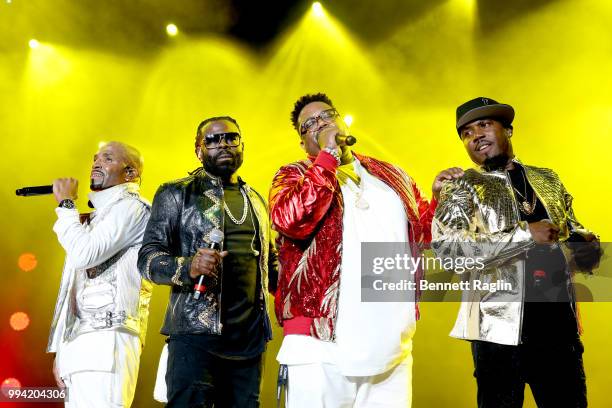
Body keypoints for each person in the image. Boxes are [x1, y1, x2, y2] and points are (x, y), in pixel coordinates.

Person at [269, 93, 458, 407]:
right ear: (303, 143)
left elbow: (423, 238)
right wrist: (326, 159)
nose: (321, 123)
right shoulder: (294, 175)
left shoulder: (392, 176)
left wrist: (440, 200)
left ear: (342, 120)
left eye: (327, 115)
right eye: (309, 124)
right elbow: (291, 220)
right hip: (319, 346)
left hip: (391, 346)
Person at [432, 97, 601, 407]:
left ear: (508, 129)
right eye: (467, 133)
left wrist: (585, 245)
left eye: (484, 125)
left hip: (557, 325)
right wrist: (526, 235)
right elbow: (449, 249)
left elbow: (571, 226)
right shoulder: (462, 185)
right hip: (497, 333)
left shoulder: (547, 178)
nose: (476, 136)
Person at [138, 116, 278, 407]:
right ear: (198, 149)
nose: (223, 144)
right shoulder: (175, 193)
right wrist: (188, 266)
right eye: (212, 140)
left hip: (249, 343)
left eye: (231, 137)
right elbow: (148, 259)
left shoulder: (256, 200)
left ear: (242, 145)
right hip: (195, 337)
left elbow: (271, 266)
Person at [47, 141, 152, 407]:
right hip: (80, 345)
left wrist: (66, 205)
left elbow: (85, 254)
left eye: (107, 158)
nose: (96, 163)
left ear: (130, 173)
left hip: (109, 339)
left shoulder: (133, 207)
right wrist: (63, 351)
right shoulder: (93, 218)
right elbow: (73, 287)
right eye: (95, 158)